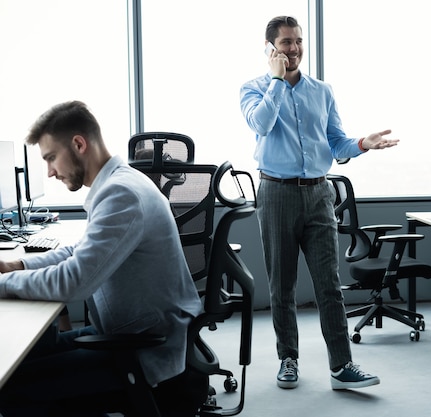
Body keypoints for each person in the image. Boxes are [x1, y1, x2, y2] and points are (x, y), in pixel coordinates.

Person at [0, 101, 204, 416]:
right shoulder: (120, 183)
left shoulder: (121, 194)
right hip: (129, 334)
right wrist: (18, 265)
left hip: (143, 351)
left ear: (79, 144)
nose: (51, 172)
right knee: (30, 355)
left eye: (51, 158)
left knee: (13, 387)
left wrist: (4, 284)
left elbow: (75, 281)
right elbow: (79, 252)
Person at [240, 16, 399, 391]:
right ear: (269, 48)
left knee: (329, 282)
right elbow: (262, 124)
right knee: (282, 284)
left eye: (298, 41)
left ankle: (342, 366)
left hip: (318, 193)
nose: (293, 49)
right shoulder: (253, 89)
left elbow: (336, 142)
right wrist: (277, 81)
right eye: (285, 43)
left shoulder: (321, 91)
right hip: (276, 192)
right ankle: (288, 360)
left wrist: (362, 143)